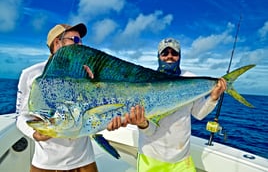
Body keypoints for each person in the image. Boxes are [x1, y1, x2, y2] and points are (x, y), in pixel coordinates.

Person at [108, 38, 226, 172]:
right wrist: (142, 124)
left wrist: (213, 98)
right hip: (151, 157)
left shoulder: (190, 79)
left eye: (174, 53)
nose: (169, 56)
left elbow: (198, 114)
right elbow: (150, 130)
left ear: (180, 56)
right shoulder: (148, 81)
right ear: (158, 57)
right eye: (165, 53)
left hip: (182, 159)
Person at [16, 23, 98, 172]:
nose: (80, 45)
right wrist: (34, 134)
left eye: (81, 41)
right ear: (57, 42)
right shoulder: (31, 74)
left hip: (84, 161)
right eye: (75, 40)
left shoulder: (86, 73)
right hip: (46, 164)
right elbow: (21, 116)